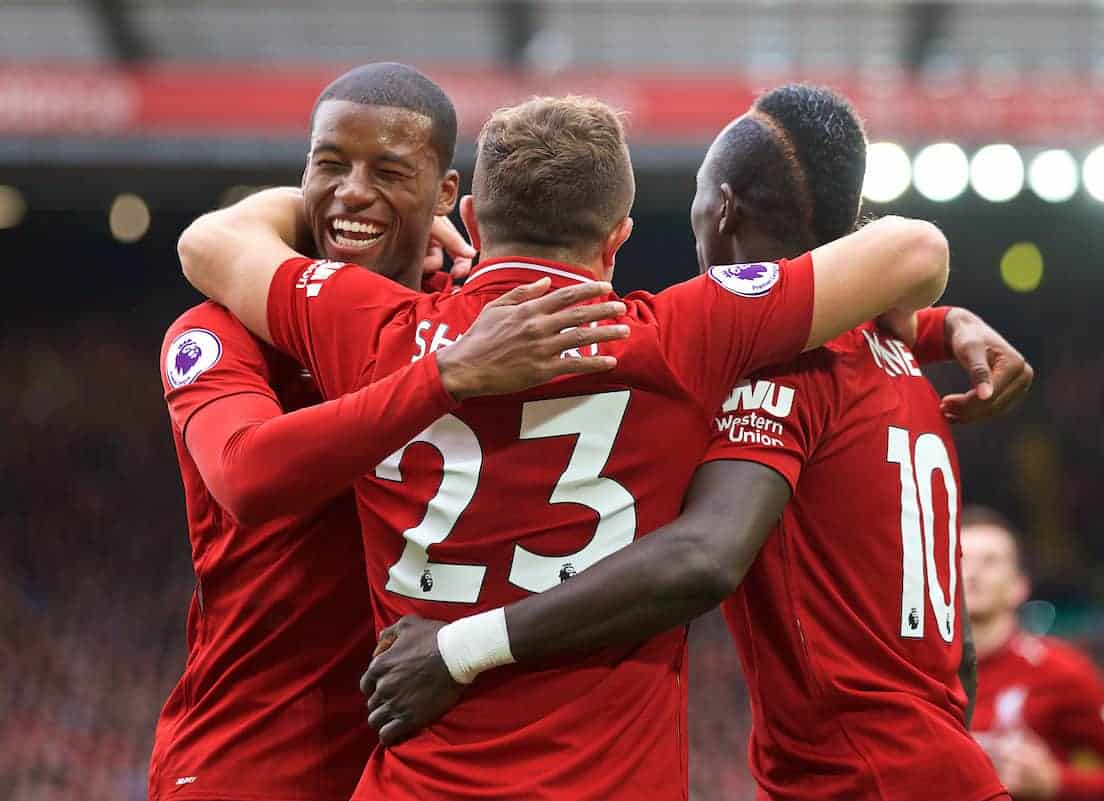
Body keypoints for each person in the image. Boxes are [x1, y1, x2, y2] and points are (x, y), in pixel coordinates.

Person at [179, 93, 951, 800]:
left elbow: (210, 241)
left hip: (419, 781)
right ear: (617, 238)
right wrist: (927, 323)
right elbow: (915, 251)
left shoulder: (367, 324)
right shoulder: (681, 338)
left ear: (474, 221)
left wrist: (323, 195)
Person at [364, 86, 1031, 801]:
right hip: (937, 765)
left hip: (861, 779)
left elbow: (705, 554)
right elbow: (957, 652)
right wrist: (942, 322)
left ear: (723, 207)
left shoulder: (777, 367)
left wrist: (459, 648)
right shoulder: (900, 360)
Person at [150, 65, 628, 801]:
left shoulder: (480, 323)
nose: (351, 192)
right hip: (249, 760)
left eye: (389, 171)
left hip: (419, 767)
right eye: (329, 165)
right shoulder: (220, 329)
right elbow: (248, 476)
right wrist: (445, 375)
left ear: (448, 197)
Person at [961, 506, 1104, 801]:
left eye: (990, 561)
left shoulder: (1060, 670)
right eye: (962, 559)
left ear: (1019, 586)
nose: (973, 572)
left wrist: (1056, 783)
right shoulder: (916, 669)